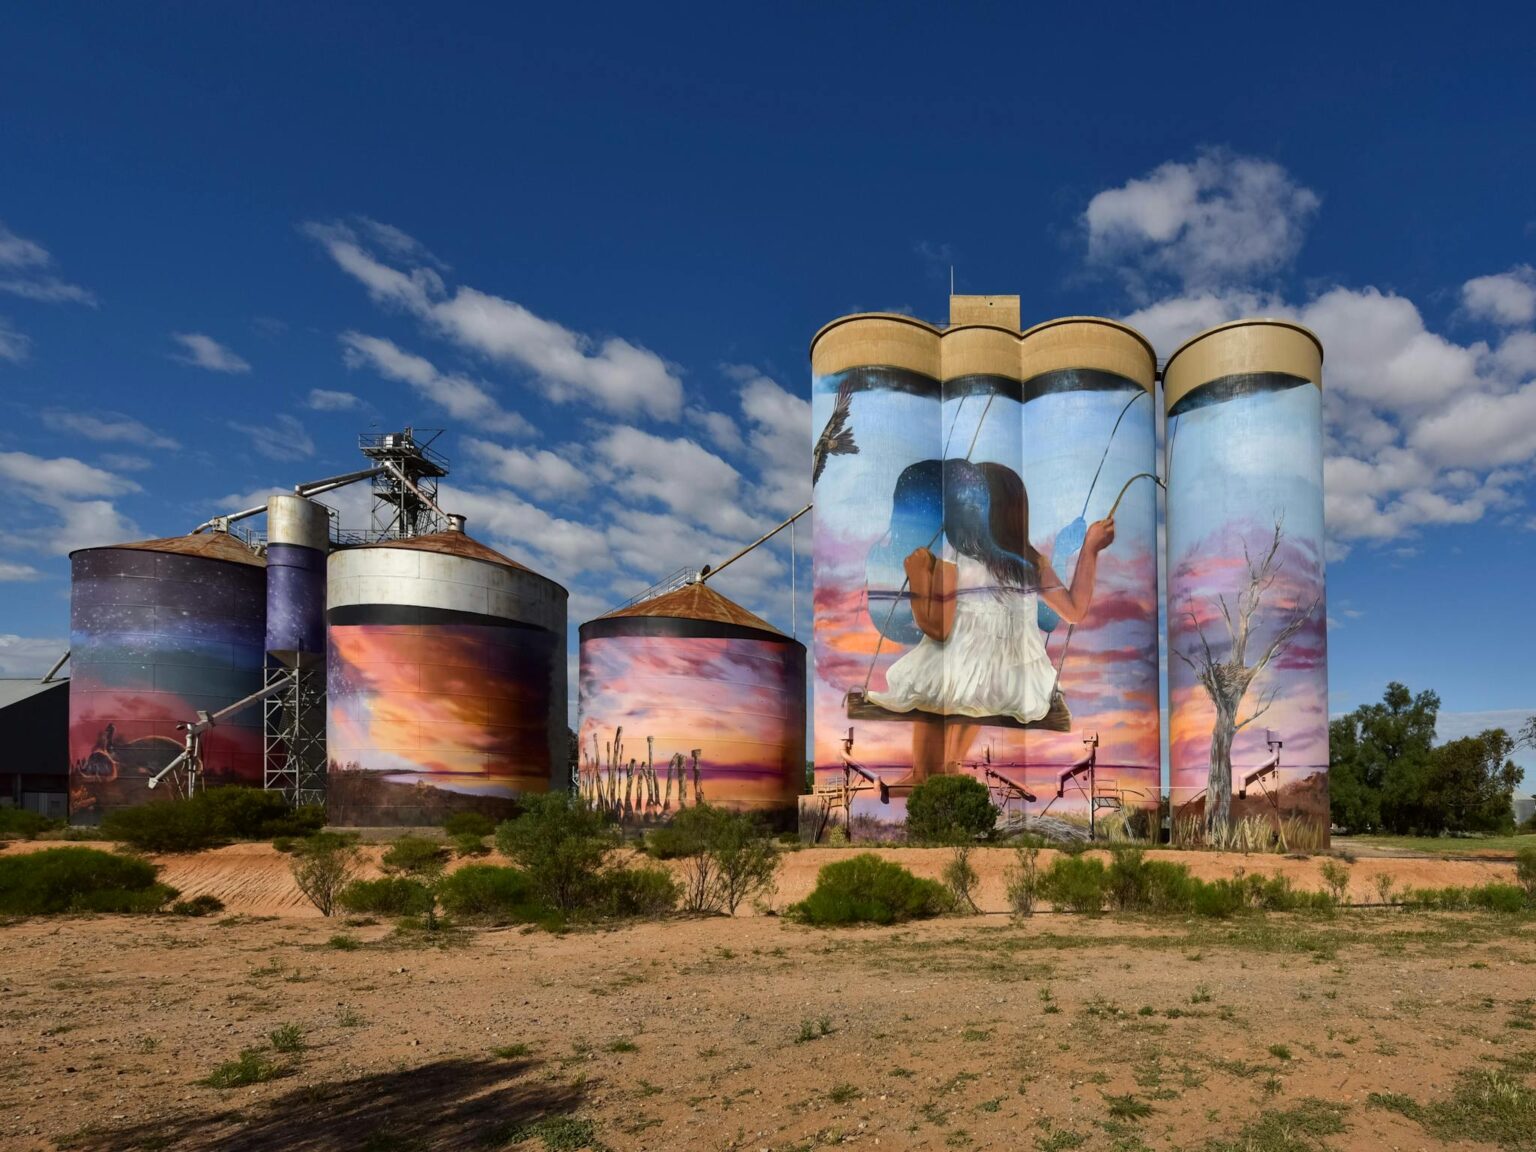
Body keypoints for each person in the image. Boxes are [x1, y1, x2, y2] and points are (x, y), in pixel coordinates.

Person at [867, 459, 1114, 781]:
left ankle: (922, 772)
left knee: (935, 678)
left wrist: (916, 576)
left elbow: (936, 629)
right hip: (1017, 681)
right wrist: (1090, 550)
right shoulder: (1030, 561)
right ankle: (949, 766)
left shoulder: (956, 559)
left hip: (969, 675)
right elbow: (1075, 610)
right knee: (965, 682)